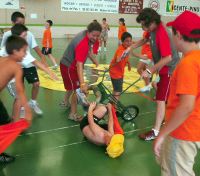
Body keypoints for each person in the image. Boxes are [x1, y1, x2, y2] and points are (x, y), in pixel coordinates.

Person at [153, 11, 200, 176]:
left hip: (181, 132)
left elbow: (187, 106)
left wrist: (162, 134)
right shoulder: (197, 58)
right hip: (193, 129)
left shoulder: (188, 64)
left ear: (178, 35)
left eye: (172, 34)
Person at [124, 8, 180, 141]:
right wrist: (130, 48)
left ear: (154, 21)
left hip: (170, 69)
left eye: (146, 25)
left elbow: (168, 57)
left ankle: (156, 131)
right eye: (142, 25)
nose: (144, 28)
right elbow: (144, 40)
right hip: (163, 68)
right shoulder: (152, 30)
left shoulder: (161, 33)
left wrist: (149, 70)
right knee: (164, 97)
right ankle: (167, 120)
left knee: (161, 99)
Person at [0, 24, 58, 120]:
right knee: (19, 98)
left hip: (11, 79)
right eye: (24, 36)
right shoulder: (7, 51)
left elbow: (35, 62)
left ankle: (15, 120)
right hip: (9, 80)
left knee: (19, 97)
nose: (26, 37)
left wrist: (49, 72)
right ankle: (15, 120)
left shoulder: (19, 53)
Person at [0, 11, 47, 115]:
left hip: (28, 63)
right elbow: (3, 49)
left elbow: (34, 46)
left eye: (23, 22)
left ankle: (33, 102)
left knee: (36, 84)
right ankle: (21, 107)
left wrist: (42, 58)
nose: (22, 25)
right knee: (20, 88)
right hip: (16, 65)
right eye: (19, 23)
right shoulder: (8, 35)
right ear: (13, 22)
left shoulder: (28, 33)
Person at [60, 21, 102, 121]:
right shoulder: (82, 42)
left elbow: (87, 51)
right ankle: (73, 114)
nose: (95, 38)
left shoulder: (85, 35)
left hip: (69, 64)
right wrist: (82, 84)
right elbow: (79, 64)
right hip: (69, 67)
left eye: (97, 36)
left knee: (72, 86)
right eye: (93, 35)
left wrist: (95, 61)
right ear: (88, 32)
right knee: (77, 90)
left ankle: (65, 102)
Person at [0, 35, 32, 163]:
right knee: (4, 125)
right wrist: (28, 113)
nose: (25, 54)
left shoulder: (2, 59)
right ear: (15, 51)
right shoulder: (16, 67)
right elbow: (20, 91)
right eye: (24, 51)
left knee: (3, 122)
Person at [109, 32, 132, 100]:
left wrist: (129, 64)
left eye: (130, 41)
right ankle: (114, 108)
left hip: (116, 72)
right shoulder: (121, 49)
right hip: (116, 74)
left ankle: (111, 104)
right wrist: (119, 58)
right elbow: (118, 58)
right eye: (127, 41)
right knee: (118, 92)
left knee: (116, 89)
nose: (129, 43)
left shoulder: (126, 48)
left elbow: (126, 58)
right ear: (122, 41)